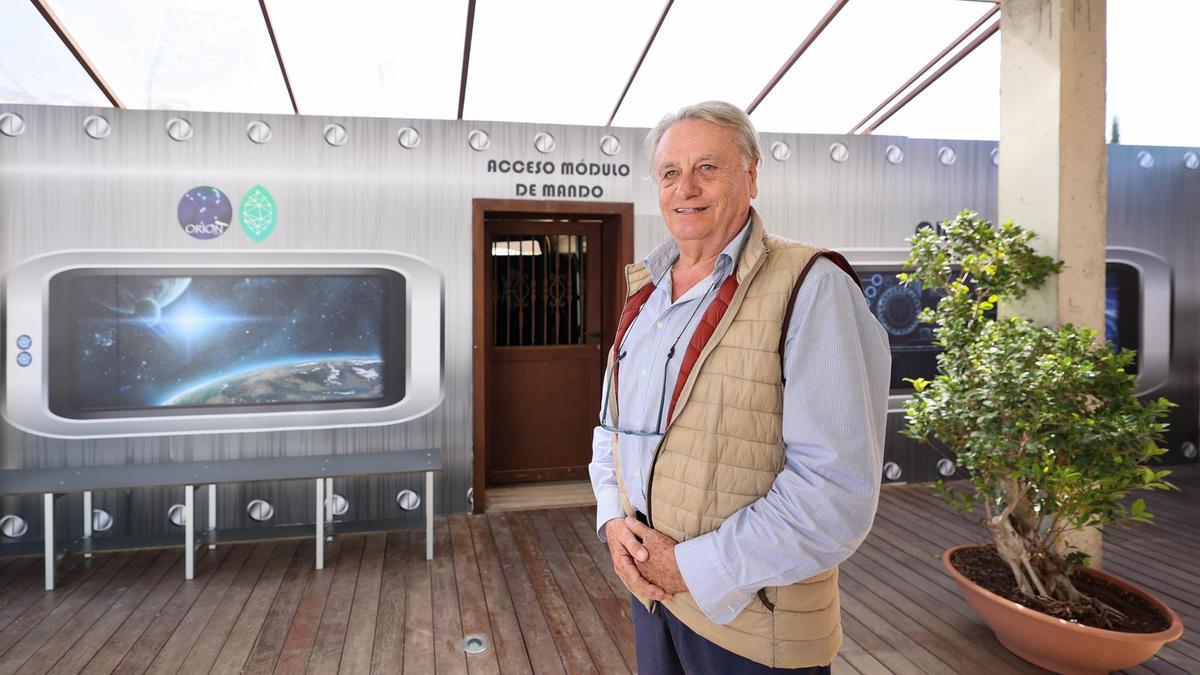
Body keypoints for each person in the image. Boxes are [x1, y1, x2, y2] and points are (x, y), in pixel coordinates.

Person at [588, 101, 890, 674]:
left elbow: (835, 493)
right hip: (652, 598)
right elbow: (611, 431)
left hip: (755, 624)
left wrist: (693, 568)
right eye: (671, 173)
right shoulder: (646, 296)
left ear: (751, 176)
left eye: (708, 168)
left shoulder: (813, 287)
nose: (687, 189)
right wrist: (612, 521)